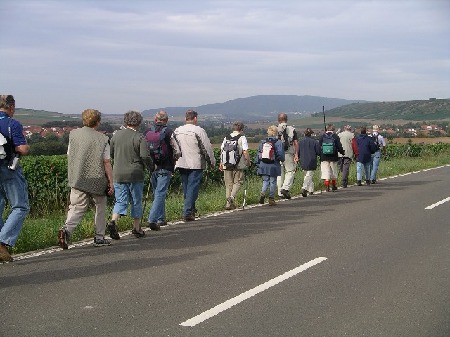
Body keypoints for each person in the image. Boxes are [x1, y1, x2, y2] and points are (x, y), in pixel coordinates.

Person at [58, 109, 114, 249]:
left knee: (77, 207)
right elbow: (106, 162)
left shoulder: (73, 135)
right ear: (98, 122)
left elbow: (70, 155)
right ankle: (99, 237)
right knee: (100, 207)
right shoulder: (103, 139)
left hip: (77, 178)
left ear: (84, 120)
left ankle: (66, 230)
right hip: (97, 179)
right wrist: (111, 183)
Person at [108, 111, 152, 239]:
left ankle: (114, 221)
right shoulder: (139, 137)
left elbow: (111, 154)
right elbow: (145, 156)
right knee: (136, 201)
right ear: (138, 122)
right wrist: (151, 166)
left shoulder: (115, 136)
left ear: (125, 121)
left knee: (121, 200)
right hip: (135, 173)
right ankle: (136, 228)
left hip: (118, 173)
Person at [0, 95, 30, 262]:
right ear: (11, 107)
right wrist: (26, 147)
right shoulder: (12, 124)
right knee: (20, 206)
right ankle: (3, 241)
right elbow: (22, 149)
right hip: (8, 168)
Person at [174, 110, 216, 221]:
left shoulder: (177, 130)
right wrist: (212, 162)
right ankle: (188, 212)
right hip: (195, 163)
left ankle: (191, 209)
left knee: (186, 187)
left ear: (185, 118)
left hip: (181, 162)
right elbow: (206, 148)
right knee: (193, 188)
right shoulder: (199, 130)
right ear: (195, 118)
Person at [145, 110, 181, 229]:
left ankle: (161, 218)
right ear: (166, 120)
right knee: (160, 193)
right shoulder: (169, 132)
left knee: (157, 193)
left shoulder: (147, 131)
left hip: (152, 167)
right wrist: (174, 161)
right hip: (166, 166)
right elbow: (178, 150)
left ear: (155, 120)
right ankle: (152, 219)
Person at [219, 121, 251, 210]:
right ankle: (232, 197)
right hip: (238, 164)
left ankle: (228, 204)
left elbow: (222, 150)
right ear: (241, 129)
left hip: (226, 163)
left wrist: (221, 163)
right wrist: (248, 161)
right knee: (238, 182)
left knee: (228, 184)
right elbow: (245, 151)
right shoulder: (242, 138)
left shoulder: (227, 137)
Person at [255, 125, 285, 206]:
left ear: (268, 132)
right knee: (273, 181)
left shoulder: (262, 142)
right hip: (273, 165)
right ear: (276, 132)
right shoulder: (278, 142)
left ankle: (263, 193)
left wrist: (258, 163)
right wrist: (281, 160)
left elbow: (258, 154)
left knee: (265, 181)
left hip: (263, 164)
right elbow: (281, 156)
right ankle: (271, 199)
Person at [276, 113, 299, 199]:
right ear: (287, 119)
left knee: (279, 173)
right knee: (290, 171)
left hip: (278, 154)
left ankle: (279, 192)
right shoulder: (292, 129)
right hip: (288, 153)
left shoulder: (275, 129)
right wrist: (296, 154)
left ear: (278, 120)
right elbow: (296, 143)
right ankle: (285, 188)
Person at [319, 124, 345, 192]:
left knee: (326, 171)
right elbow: (339, 146)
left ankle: (327, 186)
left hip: (324, 157)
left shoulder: (322, 136)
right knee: (333, 171)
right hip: (333, 156)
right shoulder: (335, 136)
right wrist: (342, 153)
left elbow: (319, 146)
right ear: (333, 129)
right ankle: (333, 185)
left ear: (326, 129)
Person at [298, 128, 321, 197]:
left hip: (303, 160)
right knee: (309, 175)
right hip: (312, 160)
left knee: (307, 175)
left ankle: (311, 190)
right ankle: (304, 188)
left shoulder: (300, 142)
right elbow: (319, 152)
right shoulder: (315, 142)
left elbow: (298, 152)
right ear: (311, 134)